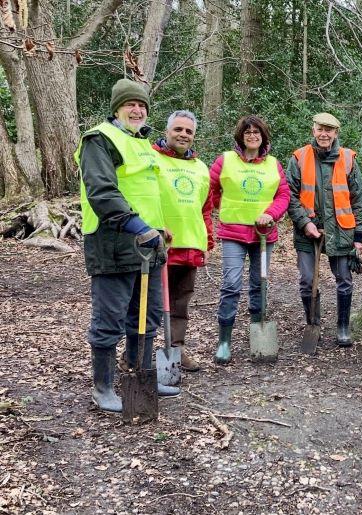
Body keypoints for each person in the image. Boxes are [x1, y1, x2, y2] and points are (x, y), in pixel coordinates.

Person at [76, 78, 180, 412]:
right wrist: (139, 226)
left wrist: (158, 227)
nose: (137, 110)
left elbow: (146, 191)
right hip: (113, 243)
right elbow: (102, 192)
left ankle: (140, 375)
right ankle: (103, 388)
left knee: (146, 316)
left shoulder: (141, 142)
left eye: (141, 105)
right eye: (129, 104)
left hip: (148, 246)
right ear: (116, 108)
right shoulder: (99, 139)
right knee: (110, 319)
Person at [209, 115, 290, 363]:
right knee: (231, 284)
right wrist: (223, 208)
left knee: (259, 283)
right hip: (233, 234)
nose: (252, 136)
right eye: (248, 132)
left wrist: (270, 214)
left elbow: (283, 195)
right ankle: (224, 341)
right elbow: (210, 189)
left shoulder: (273, 164)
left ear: (263, 137)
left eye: (257, 132)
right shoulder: (225, 160)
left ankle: (258, 334)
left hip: (264, 234)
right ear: (241, 136)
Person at [286, 113, 362, 347]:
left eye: (328, 130)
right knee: (307, 280)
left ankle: (343, 327)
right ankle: (313, 324)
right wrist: (305, 223)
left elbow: (359, 199)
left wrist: (359, 235)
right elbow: (289, 195)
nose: (324, 134)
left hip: (341, 231)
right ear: (313, 130)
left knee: (344, 279)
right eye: (320, 129)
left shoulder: (348, 159)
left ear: (335, 133)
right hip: (307, 230)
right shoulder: (299, 157)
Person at [153, 110, 213, 373]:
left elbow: (206, 209)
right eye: (178, 129)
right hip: (156, 244)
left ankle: (175, 350)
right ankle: (136, 354)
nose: (183, 135)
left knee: (180, 303)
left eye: (189, 131)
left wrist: (208, 242)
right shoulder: (151, 159)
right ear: (167, 131)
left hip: (190, 244)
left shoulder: (201, 168)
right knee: (148, 304)